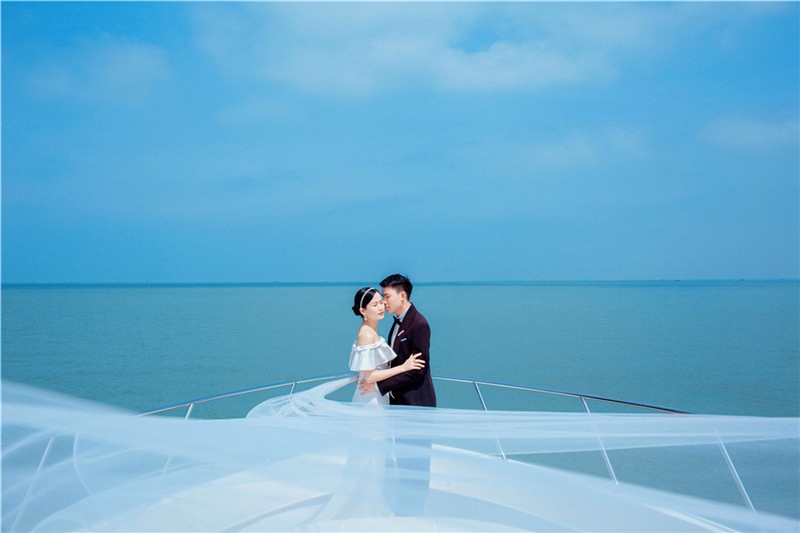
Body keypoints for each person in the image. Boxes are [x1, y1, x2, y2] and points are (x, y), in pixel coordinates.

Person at [359, 274, 436, 407]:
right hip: (396, 400)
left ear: (402, 295)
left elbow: (417, 370)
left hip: (415, 402)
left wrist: (379, 386)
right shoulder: (397, 322)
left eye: (387, 296)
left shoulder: (419, 324)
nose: (384, 302)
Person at [349, 286, 425, 406]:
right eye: (375, 305)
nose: (381, 307)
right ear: (363, 311)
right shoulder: (366, 334)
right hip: (369, 398)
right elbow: (369, 377)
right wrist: (403, 367)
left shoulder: (371, 330)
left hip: (377, 393)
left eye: (381, 302)